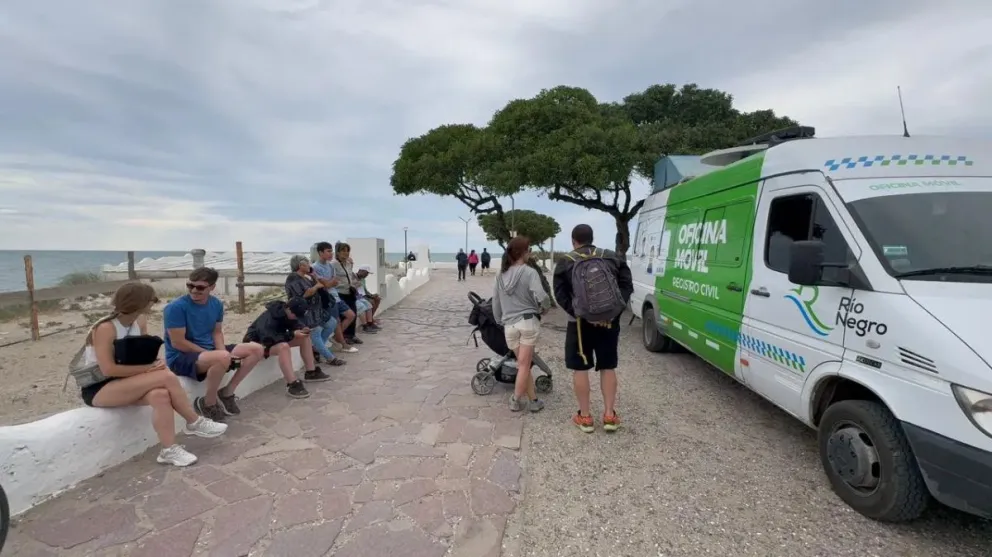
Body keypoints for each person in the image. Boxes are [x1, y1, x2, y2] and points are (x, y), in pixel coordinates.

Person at [78, 282, 227, 467]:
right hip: (101, 387)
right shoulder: (105, 328)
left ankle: (168, 450)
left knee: (160, 395)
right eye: (152, 300)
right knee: (165, 376)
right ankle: (194, 421)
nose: (154, 304)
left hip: (129, 381)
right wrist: (149, 369)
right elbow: (108, 369)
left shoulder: (139, 321)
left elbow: (141, 354)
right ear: (139, 302)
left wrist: (153, 363)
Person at [553, 224, 633, 433]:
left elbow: (559, 294)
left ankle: (585, 417)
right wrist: (614, 311)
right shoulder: (611, 257)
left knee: (580, 368)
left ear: (573, 241)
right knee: (608, 366)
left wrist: (579, 311)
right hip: (609, 322)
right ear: (592, 238)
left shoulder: (566, 261)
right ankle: (609, 415)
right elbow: (626, 285)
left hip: (578, 324)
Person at [164, 267, 266, 422]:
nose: (194, 290)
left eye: (200, 287)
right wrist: (217, 354)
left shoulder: (216, 304)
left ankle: (227, 392)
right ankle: (208, 402)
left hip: (209, 351)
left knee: (256, 349)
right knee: (222, 357)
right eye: (190, 285)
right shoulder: (175, 308)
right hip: (181, 357)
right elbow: (178, 343)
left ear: (212, 287)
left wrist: (221, 351)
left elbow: (216, 332)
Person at [492, 236, 550, 413]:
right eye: (529, 250)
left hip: (509, 326)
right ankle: (515, 399)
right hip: (527, 323)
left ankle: (533, 401)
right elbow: (542, 296)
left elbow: (496, 301)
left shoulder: (500, 275)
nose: (530, 253)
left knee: (523, 364)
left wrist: (498, 320)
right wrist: (544, 308)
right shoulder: (529, 272)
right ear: (522, 252)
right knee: (524, 365)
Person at [243, 297, 327, 399]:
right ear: (288, 308)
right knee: (284, 347)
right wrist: (292, 334)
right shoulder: (269, 317)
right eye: (295, 314)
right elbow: (268, 338)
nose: (296, 317)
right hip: (258, 344)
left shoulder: (289, 313)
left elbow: (295, 324)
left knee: (305, 338)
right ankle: (292, 383)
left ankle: (311, 372)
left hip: (273, 340)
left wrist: (301, 329)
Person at [284, 254, 347, 366]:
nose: (309, 265)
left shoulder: (305, 277)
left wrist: (313, 276)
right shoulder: (293, 278)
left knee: (331, 323)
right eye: (307, 263)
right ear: (300, 265)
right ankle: (330, 358)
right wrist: (316, 287)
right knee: (316, 332)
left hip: (316, 310)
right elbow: (303, 295)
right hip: (306, 312)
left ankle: (316, 349)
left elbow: (320, 285)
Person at [312, 242, 359, 353]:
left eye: (331, 251)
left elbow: (334, 282)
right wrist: (329, 283)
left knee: (351, 315)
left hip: (336, 296)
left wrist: (330, 283)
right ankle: (342, 344)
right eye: (328, 251)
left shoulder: (329, 266)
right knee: (336, 321)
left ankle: (335, 338)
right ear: (320, 252)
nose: (330, 253)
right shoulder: (315, 267)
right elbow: (326, 285)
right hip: (327, 298)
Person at [330, 242, 363, 345]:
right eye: (343, 250)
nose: (346, 253)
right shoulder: (333, 264)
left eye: (347, 250)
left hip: (350, 291)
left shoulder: (348, 263)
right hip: (340, 292)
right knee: (344, 316)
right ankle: (342, 336)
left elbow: (350, 276)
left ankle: (351, 335)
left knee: (354, 313)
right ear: (338, 252)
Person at [355, 265, 382, 333]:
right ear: (361, 271)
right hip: (359, 297)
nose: (367, 275)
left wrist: (371, 295)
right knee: (371, 303)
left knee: (377, 299)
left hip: (364, 295)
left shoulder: (363, 280)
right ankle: (368, 323)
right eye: (366, 273)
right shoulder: (354, 278)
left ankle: (370, 321)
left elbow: (365, 290)